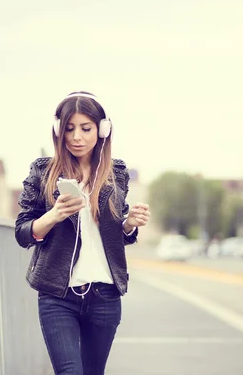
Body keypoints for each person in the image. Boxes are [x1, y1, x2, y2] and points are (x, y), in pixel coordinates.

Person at [15, 91, 150, 375]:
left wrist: (129, 223)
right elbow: (23, 233)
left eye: (85, 128)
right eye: (69, 128)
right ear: (58, 131)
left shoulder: (116, 173)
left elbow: (117, 234)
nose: (76, 137)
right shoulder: (43, 172)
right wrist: (54, 215)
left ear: (102, 130)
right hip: (57, 295)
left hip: (105, 295)